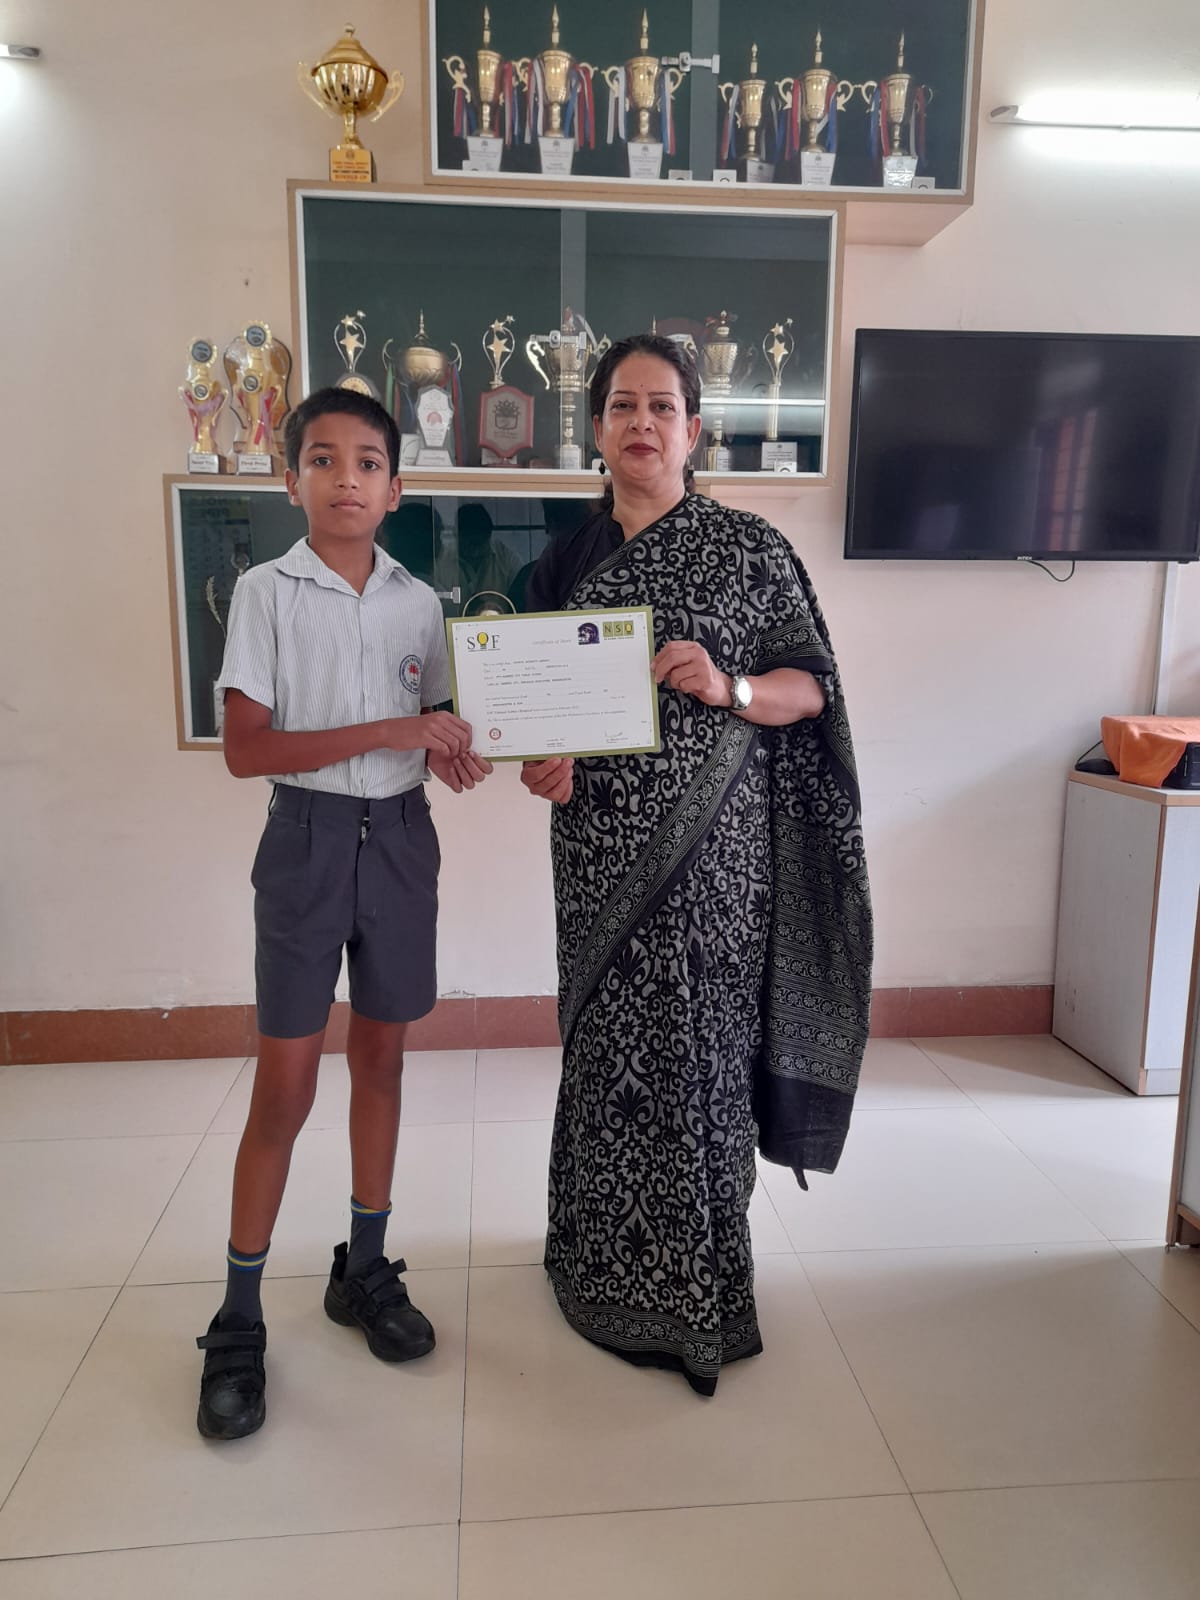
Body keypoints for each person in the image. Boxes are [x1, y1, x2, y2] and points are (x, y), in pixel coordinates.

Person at [521, 333, 872, 1396]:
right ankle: (595, 1269)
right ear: (595, 429)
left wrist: (730, 687)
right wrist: (543, 761)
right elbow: (533, 705)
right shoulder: (562, 563)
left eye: (662, 406)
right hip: (596, 858)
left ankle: (700, 1295)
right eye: (622, 405)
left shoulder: (752, 550)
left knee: (702, 1058)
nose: (642, 423)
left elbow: (811, 692)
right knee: (607, 1055)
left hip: (720, 869)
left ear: (693, 430)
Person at [195, 387, 492, 1441]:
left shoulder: (421, 602)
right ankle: (238, 1316)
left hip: (401, 841)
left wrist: (450, 752)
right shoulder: (266, 592)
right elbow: (247, 750)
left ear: (397, 487)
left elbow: (435, 722)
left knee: (383, 1060)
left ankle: (362, 1267)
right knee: (284, 1083)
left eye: (368, 462)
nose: (347, 479)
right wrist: (389, 729)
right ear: (292, 480)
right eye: (323, 459)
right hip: (307, 845)